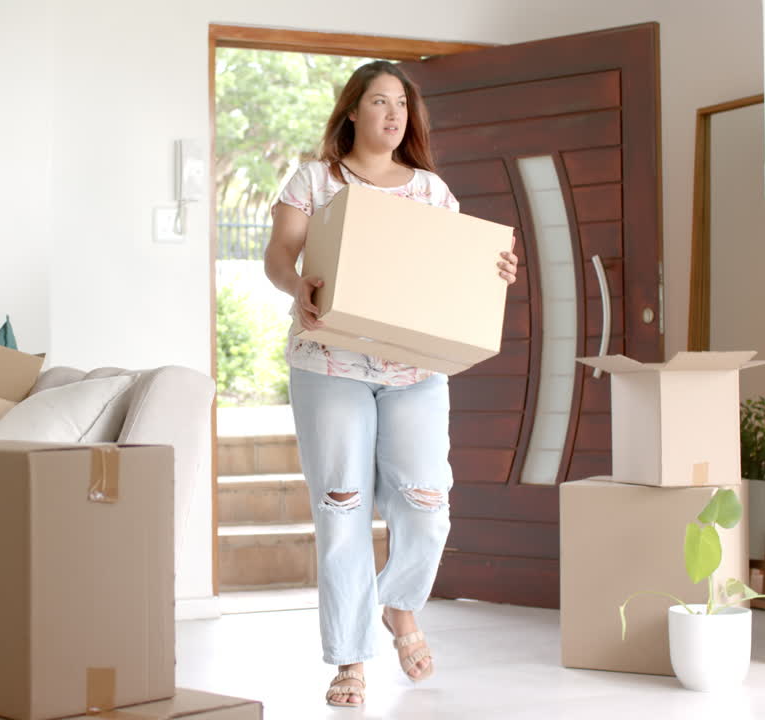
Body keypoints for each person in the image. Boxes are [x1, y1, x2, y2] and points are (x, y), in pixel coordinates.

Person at [263, 60, 518, 708]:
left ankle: (399, 607)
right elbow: (279, 256)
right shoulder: (315, 180)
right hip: (331, 365)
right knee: (342, 508)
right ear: (352, 111)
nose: (393, 114)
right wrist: (299, 288)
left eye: (401, 104)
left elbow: (455, 270)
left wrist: (495, 270)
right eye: (379, 102)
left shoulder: (432, 192)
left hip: (415, 371)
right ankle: (350, 658)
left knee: (429, 508)